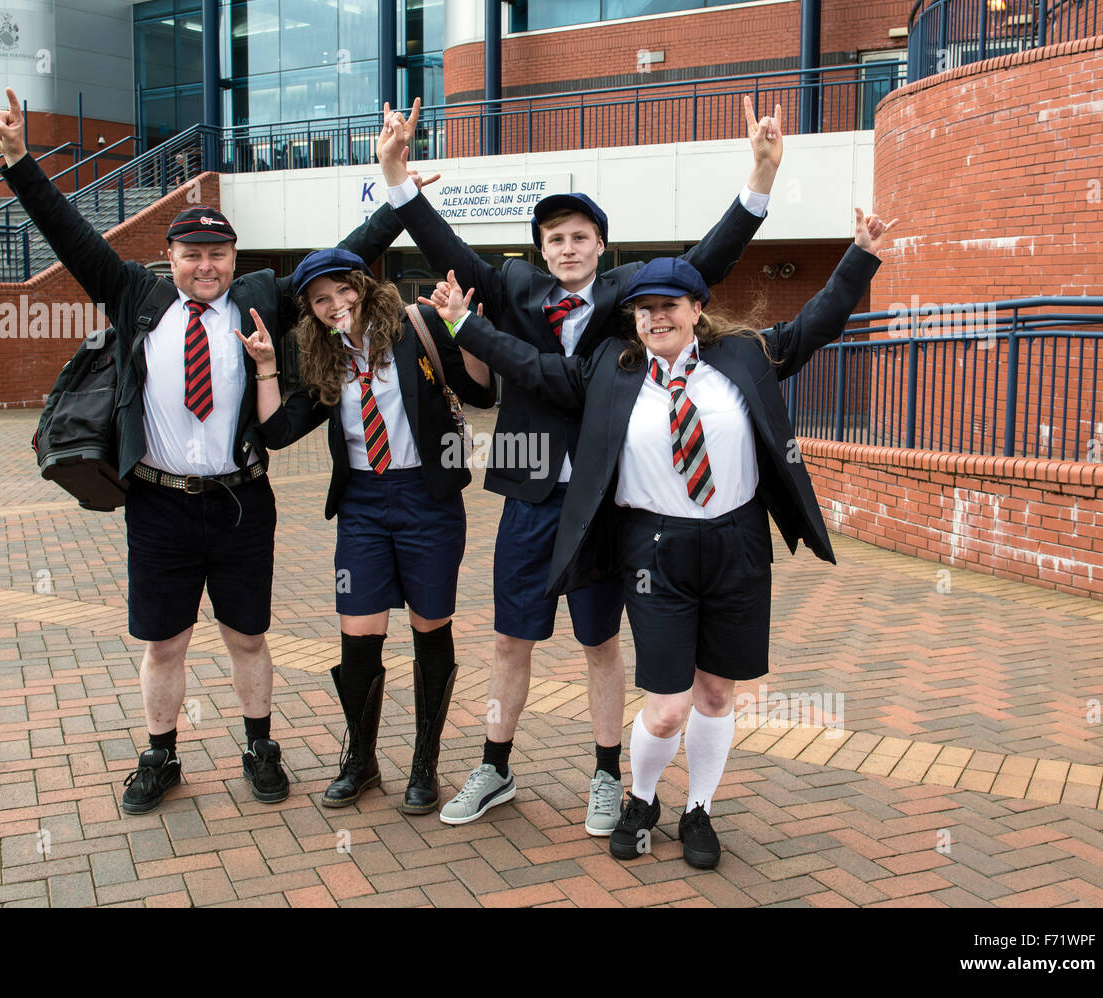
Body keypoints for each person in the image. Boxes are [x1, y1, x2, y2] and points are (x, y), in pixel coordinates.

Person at [0, 86, 430, 815]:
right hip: (157, 504)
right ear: (171, 258)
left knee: (248, 638)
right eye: (192, 255)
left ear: (233, 256)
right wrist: (19, 160)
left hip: (242, 502)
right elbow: (68, 235)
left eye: (218, 253)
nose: (206, 267)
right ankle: (160, 755)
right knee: (164, 645)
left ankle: (260, 745)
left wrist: (396, 187)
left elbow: (342, 260)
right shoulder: (134, 295)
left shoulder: (258, 297)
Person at [438, 207, 895, 868]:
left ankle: (700, 809)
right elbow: (528, 365)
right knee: (666, 707)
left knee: (716, 694)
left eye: (670, 305)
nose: (657, 317)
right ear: (632, 318)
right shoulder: (610, 373)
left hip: (737, 546)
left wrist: (859, 256)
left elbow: (815, 325)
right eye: (644, 308)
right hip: (653, 551)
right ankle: (641, 797)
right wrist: (463, 323)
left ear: (696, 308)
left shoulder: (744, 355)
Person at [376, 95, 782, 833]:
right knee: (509, 641)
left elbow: (707, 261)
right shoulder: (512, 288)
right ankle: (495, 765)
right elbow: (448, 252)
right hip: (531, 498)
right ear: (541, 249)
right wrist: (398, 179)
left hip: (603, 508)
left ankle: (606, 775)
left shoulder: (633, 297)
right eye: (555, 238)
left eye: (581, 236)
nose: (567, 248)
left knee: (600, 644)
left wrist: (758, 179)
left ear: (601, 246)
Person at [263, 249, 495, 815]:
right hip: (362, 505)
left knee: (428, 629)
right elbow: (277, 430)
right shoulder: (324, 358)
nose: (335, 305)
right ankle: (361, 760)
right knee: (358, 634)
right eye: (321, 300)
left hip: (427, 499)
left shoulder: (416, 329)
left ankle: (424, 765)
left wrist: (465, 329)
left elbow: (484, 391)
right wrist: (268, 367)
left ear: (364, 288)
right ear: (312, 311)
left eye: (344, 291)